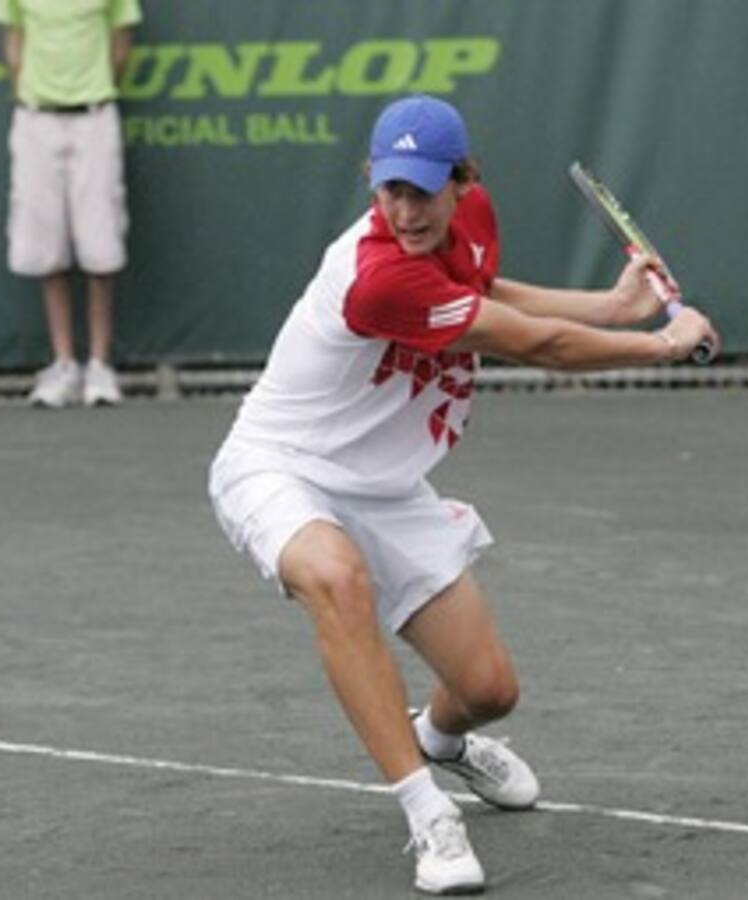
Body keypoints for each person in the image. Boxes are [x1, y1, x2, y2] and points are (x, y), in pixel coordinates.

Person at [208, 95, 719, 895]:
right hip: (279, 466)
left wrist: (612, 306)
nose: (407, 210)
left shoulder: (469, 218)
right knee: (339, 580)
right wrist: (659, 341)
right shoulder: (376, 277)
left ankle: (441, 741)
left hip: (383, 487)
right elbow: (532, 343)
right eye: (390, 191)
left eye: (423, 190)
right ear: (371, 183)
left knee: (488, 691)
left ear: (462, 181)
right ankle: (427, 814)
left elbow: (486, 290)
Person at [0, 0, 143, 408]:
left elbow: (121, 47)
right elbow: (13, 44)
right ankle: (63, 364)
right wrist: (37, 96)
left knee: (101, 244)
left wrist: (90, 93)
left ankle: (99, 364)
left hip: (95, 118)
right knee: (44, 244)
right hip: (35, 120)